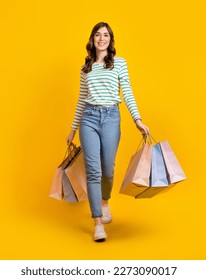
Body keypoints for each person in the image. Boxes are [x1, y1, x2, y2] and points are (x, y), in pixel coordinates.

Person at [66, 22, 149, 242]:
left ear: (110, 40)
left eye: (105, 35)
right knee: (93, 171)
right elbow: (81, 100)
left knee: (107, 169)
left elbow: (128, 93)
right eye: (97, 35)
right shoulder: (86, 68)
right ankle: (98, 223)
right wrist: (73, 129)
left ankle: (105, 201)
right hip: (89, 120)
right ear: (92, 39)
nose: (101, 39)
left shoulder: (120, 64)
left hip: (112, 117)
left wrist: (137, 120)